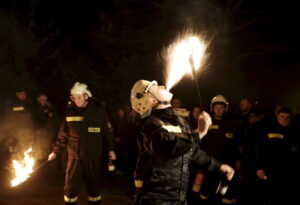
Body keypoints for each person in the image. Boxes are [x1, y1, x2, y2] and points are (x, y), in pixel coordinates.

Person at [130, 80, 234, 205]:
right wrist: (199, 133)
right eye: (156, 87)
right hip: (155, 197)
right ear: (151, 100)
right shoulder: (148, 123)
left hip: (179, 196)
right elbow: (166, 148)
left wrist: (218, 166)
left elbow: (191, 150)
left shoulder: (180, 121)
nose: (162, 85)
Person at [48, 82, 116, 205]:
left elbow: (108, 133)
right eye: (74, 97)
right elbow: (62, 136)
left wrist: (111, 149)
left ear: (86, 96)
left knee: (94, 188)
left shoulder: (99, 112)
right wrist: (55, 151)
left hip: (93, 157)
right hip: (74, 157)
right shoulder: (70, 112)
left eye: (79, 97)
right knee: (70, 188)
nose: (76, 100)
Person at [198, 95, 240, 205]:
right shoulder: (207, 122)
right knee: (206, 188)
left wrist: (237, 160)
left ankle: (223, 199)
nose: (219, 110)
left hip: (227, 162)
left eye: (221, 108)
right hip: (210, 162)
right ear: (212, 108)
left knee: (225, 189)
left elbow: (236, 145)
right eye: (216, 107)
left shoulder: (232, 125)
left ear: (225, 109)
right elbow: (200, 142)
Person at [255, 107, 294, 205]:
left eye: (287, 118)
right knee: (270, 195)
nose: (284, 120)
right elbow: (260, 149)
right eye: (282, 117)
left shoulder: (294, 132)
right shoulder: (268, 130)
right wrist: (260, 167)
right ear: (277, 117)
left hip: (288, 171)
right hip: (271, 170)